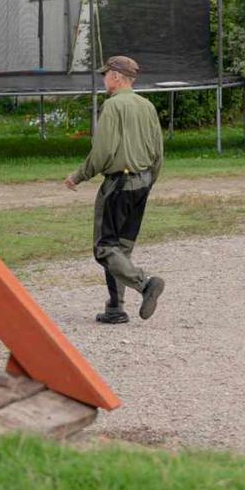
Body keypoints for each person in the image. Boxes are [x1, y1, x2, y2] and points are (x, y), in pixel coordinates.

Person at [63, 54, 167, 324]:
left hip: (119, 184)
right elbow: (158, 151)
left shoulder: (112, 106)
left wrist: (79, 176)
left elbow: (103, 151)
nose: (103, 78)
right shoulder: (147, 106)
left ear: (117, 77)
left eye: (105, 74)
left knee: (105, 248)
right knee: (121, 249)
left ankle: (145, 284)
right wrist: (149, 181)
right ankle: (115, 308)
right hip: (142, 182)